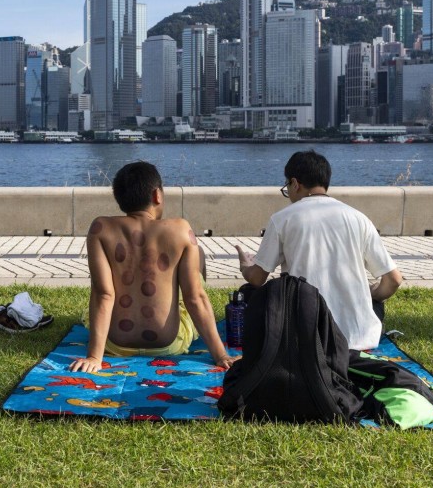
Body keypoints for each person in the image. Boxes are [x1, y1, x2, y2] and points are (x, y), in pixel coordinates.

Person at [69, 161, 237, 373]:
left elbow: (104, 294)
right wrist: (221, 355)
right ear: (157, 195)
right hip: (168, 346)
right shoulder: (180, 230)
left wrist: (94, 357)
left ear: (120, 200)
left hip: (115, 346)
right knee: (198, 257)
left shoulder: (101, 229)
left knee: (98, 291)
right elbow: (196, 298)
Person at [234, 150, 402, 350]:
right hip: (359, 339)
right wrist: (371, 293)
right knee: (374, 300)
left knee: (250, 295)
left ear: (295, 183)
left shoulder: (283, 219)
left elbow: (257, 279)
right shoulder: (359, 218)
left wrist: (246, 266)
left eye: (287, 186)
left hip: (306, 338)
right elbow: (393, 280)